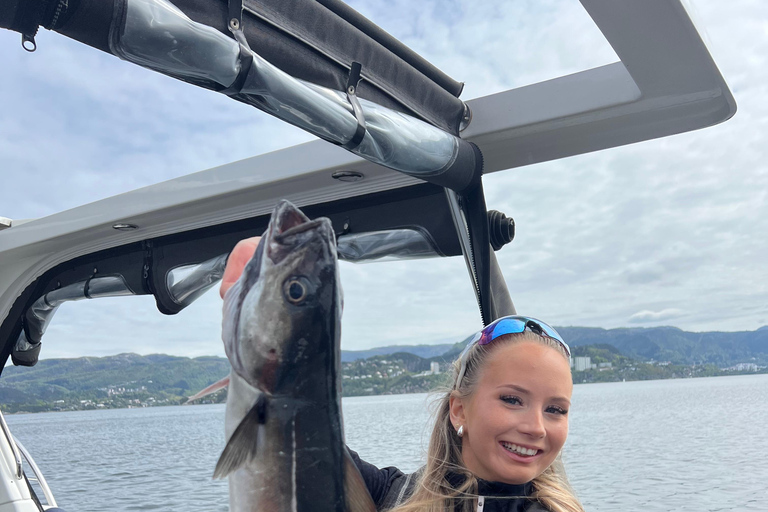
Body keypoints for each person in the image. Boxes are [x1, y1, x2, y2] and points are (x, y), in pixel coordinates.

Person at [220, 237, 583, 512]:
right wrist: (268, 303)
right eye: (512, 399)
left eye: (556, 409)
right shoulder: (389, 494)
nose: (536, 427)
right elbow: (297, 427)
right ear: (459, 409)